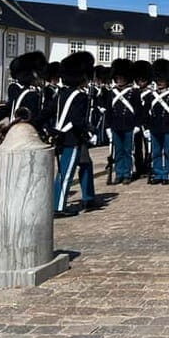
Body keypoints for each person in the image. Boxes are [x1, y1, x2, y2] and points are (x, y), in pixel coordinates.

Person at [51, 51, 98, 216]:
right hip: (73, 138)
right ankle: (58, 207)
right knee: (66, 173)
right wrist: (90, 131)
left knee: (84, 164)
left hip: (62, 137)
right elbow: (78, 120)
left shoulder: (62, 93)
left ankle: (89, 197)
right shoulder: (80, 96)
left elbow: (48, 112)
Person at [0, 51, 48, 136]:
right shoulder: (20, 89)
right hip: (24, 133)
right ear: (33, 74)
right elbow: (8, 108)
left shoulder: (38, 91)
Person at [106, 58, 142, 185]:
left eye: (122, 77)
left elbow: (138, 110)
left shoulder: (134, 92)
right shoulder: (111, 93)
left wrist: (137, 125)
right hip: (116, 125)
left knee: (128, 151)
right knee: (118, 151)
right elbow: (109, 111)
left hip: (129, 125)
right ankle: (119, 173)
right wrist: (108, 127)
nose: (120, 79)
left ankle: (127, 173)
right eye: (118, 77)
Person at [147, 59, 169, 185]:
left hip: (168, 127)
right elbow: (148, 113)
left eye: (162, 80)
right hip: (155, 128)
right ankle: (157, 173)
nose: (160, 83)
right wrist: (147, 128)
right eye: (158, 80)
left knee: (167, 152)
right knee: (156, 152)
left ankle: (166, 173)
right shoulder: (152, 96)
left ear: (167, 81)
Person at [132, 60, 154, 180]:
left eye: (143, 80)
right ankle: (139, 168)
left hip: (147, 124)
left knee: (148, 147)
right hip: (136, 124)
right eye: (139, 80)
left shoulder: (151, 94)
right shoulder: (134, 93)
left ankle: (148, 167)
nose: (141, 82)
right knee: (137, 148)